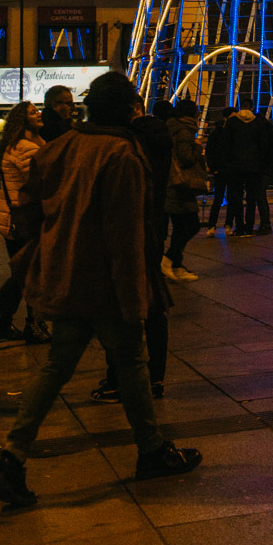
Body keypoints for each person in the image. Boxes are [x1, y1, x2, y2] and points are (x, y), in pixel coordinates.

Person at [0, 70, 202, 509]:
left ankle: (13, 454)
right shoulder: (122, 154)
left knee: (57, 367)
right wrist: (132, 294)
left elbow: (27, 210)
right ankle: (151, 449)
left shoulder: (59, 147)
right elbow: (124, 231)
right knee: (133, 363)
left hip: (66, 274)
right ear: (125, 110)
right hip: (105, 282)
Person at [92, 101, 174, 404]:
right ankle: (156, 377)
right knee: (153, 309)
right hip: (153, 230)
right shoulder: (160, 138)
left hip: (126, 233)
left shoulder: (125, 144)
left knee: (120, 309)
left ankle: (118, 379)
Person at [0, 100, 50, 345]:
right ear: (22, 120)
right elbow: (40, 181)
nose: (38, 114)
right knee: (27, 273)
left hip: (18, 219)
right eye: (33, 112)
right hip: (25, 220)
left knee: (27, 273)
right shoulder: (25, 147)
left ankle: (3, 323)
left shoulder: (27, 144)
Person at [164, 100, 208, 281]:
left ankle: (175, 264)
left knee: (181, 225)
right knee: (191, 224)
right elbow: (187, 159)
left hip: (174, 184)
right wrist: (197, 146)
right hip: (181, 185)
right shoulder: (184, 131)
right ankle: (168, 260)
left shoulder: (172, 128)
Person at [219, 103, 273, 235]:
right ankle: (249, 226)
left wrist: (227, 161)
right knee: (251, 197)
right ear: (251, 108)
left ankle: (239, 226)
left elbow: (225, 143)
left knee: (236, 197)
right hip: (254, 165)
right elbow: (263, 143)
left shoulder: (232, 122)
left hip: (235, 165)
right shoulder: (257, 122)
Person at [205, 105, 236, 234]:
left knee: (231, 198)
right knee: (218, 199)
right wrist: (214, 168)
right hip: (221, 170)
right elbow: (210, 152)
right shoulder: (217, 133)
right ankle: (212, 225)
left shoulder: (235, 132)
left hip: (232, 170)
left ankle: (228, 224)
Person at [249, 110, 273, 234]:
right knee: (261, 196)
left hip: (260, 168)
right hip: (268, 168)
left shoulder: (262, 135)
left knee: (259, 196)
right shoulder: (272, 134)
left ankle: (265, 224)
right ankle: (265, 223)